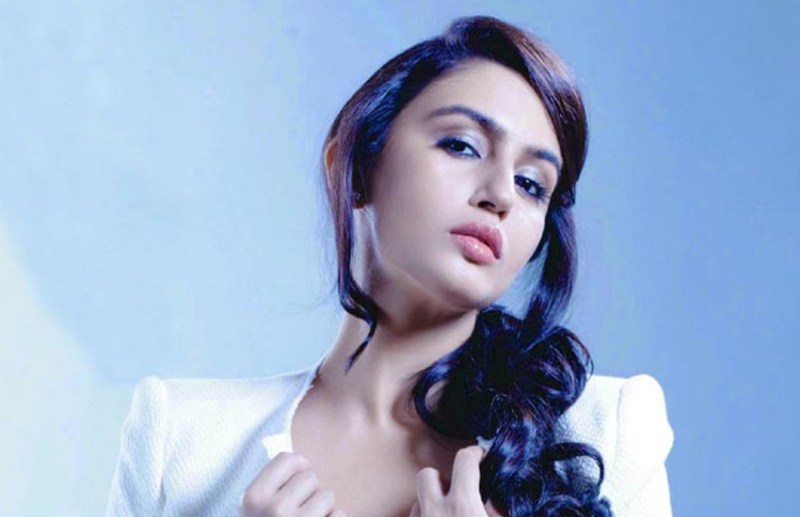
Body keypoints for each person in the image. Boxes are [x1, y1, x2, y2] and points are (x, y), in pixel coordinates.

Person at [105, 15, 673, 517]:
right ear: (355, 167)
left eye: (531, 184)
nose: (501, 194)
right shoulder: (181, 439)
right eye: (462, 145)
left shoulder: (604, 430)